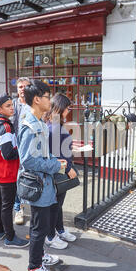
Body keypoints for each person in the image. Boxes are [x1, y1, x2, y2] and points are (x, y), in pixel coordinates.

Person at [18, 80, 67, 271]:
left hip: (45, 184)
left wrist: (55, 161)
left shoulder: (39, 122)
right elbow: (27, 159)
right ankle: (34, 268)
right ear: (37, 100)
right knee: (39, 228)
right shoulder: (30, 125)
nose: (50, 100)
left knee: (42, 225)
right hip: (38, 184)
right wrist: (55, 166)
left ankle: (39, 257)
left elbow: (41, 154)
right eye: (47, 97)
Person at [0, 93, 29, 248]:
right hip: (6, 172)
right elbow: (8, 153)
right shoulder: (5, 127)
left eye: (12, 105)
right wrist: (23, 149)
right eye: (8, 106)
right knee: (7, 204)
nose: (12, 108)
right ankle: (10, 237)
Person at [43, 93, 77, 250]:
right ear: (61, 107)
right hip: (59, 170)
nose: (69, 110)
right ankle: (50, 236)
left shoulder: (52, 122)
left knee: (57, 204)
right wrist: (69, 168)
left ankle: (59, 230)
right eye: (68, 107)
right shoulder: (54, 125)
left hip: (57, 170)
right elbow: (56, 153)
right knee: (54, 205)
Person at [12, 77, 31, 225]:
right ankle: (18, 208)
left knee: (29, 177)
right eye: (20, 86)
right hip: (14, 149)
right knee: (17, 178)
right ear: (17, 89)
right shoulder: (11, 104)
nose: (23, 89)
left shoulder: (34, 105)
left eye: (26, 86)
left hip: (30, 148)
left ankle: (30, 205)